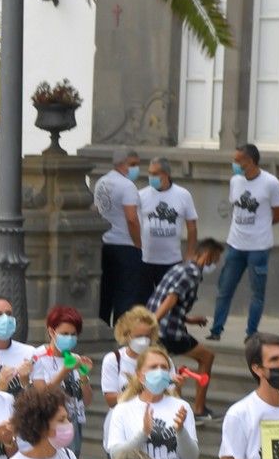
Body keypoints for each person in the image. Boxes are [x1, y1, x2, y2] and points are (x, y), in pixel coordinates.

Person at [105, 345, 199, 459]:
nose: (160, 371)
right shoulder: (124, 409)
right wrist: (143, 434)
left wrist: (181, 432)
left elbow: (191, 458)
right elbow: (116, 455)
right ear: (140, 375)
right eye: (153, 367)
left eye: (164, 367)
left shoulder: (181, 407)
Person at [210, 143, 279, 341]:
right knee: (225, 289)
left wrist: (259, 227)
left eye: (238, 161)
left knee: (257, 293)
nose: (234, 164)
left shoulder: (271, 183)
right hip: (235, 244)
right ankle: (216, 330)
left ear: (250, 162)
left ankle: (251, 333)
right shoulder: (235, 181)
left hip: (259, 247)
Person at [148, 237, 223, 420]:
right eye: (216, 258)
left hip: (166, 326)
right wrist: (151, 325)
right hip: (169, 331)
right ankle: (198, 409)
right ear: (207, 255)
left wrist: (189, 320)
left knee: (164, 369)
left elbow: (173, 302)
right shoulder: (193, 273)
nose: (215, 263)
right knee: (207, 357)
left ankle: (169, 406)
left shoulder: (180, 267)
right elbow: (171, 299)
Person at [30, 305, 92, 450]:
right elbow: (41, 394)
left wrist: (84, 375)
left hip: (73, 425)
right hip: (48, 425)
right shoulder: (38, 356)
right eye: (64, 333)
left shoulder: (75, 358)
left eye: (73, 334)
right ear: (52, 332)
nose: (69, 338)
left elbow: (86, 401)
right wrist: (65, 371)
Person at [94, 148, 143, 325]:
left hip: (104, 243)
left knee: (106, 291)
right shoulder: (127, 186)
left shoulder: (101, 182)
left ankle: (103, 326)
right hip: (125, 244)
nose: (137, 168)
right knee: (125, 294)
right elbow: (131, 218)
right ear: (123, 164)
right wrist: (138, 243)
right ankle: (120, 332)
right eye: (133, 164)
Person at [138, 156, 198, 300]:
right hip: (146, 260)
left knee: (169, 301)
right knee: (145, 302)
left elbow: (192, 227)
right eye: (150, 173)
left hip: (171, 261)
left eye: (155, 174)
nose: (151, 177)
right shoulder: (141, 195)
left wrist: (190, 255)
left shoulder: (183, 195)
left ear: (166, 174)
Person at [100, 306, 162, 409]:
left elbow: (172, 394)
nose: (143, 340)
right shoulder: (113, 359)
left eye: (147, 336)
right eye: (138, 336)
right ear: (126, 335)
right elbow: (110, 400)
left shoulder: (161, 360)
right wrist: (138, 391)